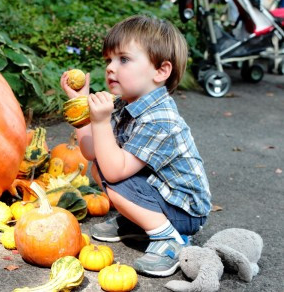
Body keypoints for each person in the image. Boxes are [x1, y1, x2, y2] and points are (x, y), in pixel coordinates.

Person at [60, 15, 211, 277]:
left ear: (161, 71)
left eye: (124, 59)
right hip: (161, 192)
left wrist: (102, 120)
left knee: (112, 176)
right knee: (99, 167)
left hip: (185, 210)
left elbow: (116, 171)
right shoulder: (125, 103)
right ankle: (140, 220)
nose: (110, 67)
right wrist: (81, 107)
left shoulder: (160, 118)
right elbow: (92, 152)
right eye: (109, 60)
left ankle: (170, 239)